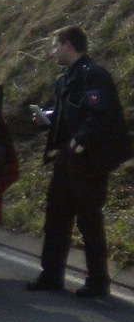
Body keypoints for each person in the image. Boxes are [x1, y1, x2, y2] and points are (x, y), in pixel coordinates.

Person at [28, 26, 132, 298]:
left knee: (89, 219)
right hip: (67, 157)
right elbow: (68, 113)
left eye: (55, 46)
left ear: (68, 45)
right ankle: (51, 275)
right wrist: (46, 119)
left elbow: (101, 115)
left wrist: (78, 141)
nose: (52, 52)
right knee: (57, 215)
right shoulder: (66, 79)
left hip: (88, 159)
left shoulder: (93, 75)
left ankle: (98, 282)